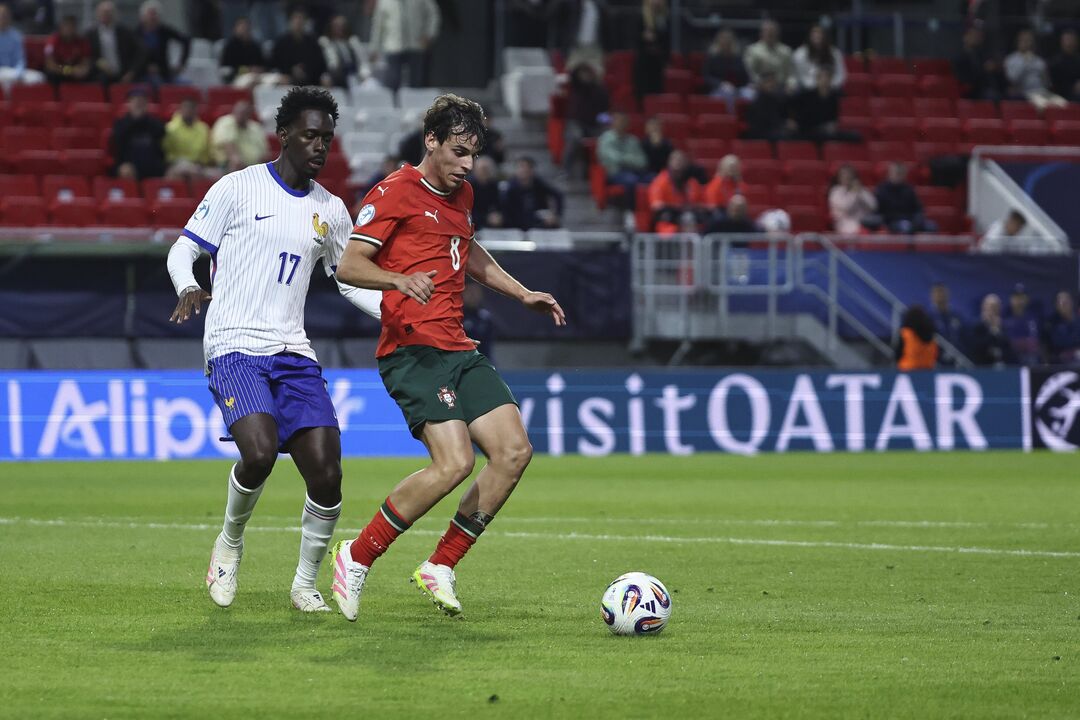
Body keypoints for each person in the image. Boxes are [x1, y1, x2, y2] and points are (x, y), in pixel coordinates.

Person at [331, 93, 565, 622]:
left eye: (474, 154)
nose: (468, 164)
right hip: (412, 349)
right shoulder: (393, 192)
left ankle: (440, 565)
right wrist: (396, 278)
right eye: (459, 152)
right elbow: (348, 263)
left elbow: (470, 251)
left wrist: (521, 292)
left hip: (457, 347)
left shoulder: (461, 195)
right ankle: (357, 555)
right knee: (455, 462)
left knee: (512, 452)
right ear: (431, 141)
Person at [166, 86, 383, 614]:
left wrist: (397, 309)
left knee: (328, 472)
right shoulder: (237, 188)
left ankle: (305, 582)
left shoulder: (330, 210)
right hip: (234, 344)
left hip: (293, 351)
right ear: (283, 134)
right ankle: (229, 544)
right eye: (310, 135)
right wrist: (187, 285)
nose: (319, 146)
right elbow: (184, 249)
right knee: (259, 453)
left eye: (327, 139)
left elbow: (349, 280)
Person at [369, 0, 441, 91]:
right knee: (392, 82)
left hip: (416, 45)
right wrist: (374, 48)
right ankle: (393, 104)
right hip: (393, 46)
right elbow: (378, 24)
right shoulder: (384, 1)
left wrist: (429, 34)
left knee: (416, 84)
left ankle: (415, 104)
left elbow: (433, 14)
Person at [561, 61, 609, 177]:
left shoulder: (600, 91)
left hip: (594, 124)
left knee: (607, 136)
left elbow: (605, 112)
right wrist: (583, 65)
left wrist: (606, 123)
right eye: (583, 73)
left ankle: (600, 170)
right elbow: (572, 74)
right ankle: (566, 170)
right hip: (576, 123)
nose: (585, 76)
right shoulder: (576, 87)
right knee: (575, 138)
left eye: (588, 73)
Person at [597, 111, 648, 216]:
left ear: (628, 124)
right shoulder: (605, 139)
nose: (621, 123)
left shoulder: (633, 140)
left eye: (624, 121)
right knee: (631, 180)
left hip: (635, 172)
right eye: (618, 121)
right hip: (615, 173)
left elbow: (642, 162)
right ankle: (630, 213)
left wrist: (625, 160)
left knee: (654, 178)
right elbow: (614, 159)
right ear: (613, 123)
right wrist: (631, 159)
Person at [1005, 28, 1066, 109]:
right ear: (1018, 42)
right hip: (1026, 93)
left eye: (1029, 40)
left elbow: (1047, 82)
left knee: (1063, 105)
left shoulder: (1039, 60)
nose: (1026, 43)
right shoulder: (1011, 59)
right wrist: (1025, 62)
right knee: (1044, 105)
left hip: (1042, 91)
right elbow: (1013, 79)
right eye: (1024, 40)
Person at [112, 87, 165, 180]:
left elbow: (161, 132)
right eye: (136, 101)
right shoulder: (121, 122)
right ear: (129, 103)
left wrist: (143, 119)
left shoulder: (153, 122)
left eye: (142, 101)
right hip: (130, 163)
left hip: (152, 163)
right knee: (126, 171)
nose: (139, 104)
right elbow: (118, 138)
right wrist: (135, 120)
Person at [131, 0, 189, 84]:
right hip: (142, 74)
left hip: (164, 72)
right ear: (143, 16)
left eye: (155, 15)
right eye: (150, 15)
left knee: (185, 84)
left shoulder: (164, 31)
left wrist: (182, 62)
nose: (152, 18)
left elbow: (186, 40)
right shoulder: (136, 33)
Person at [647, 149, 704, 233]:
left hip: (690, 219)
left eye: (681, 161)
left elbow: (701, 205)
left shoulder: (692, 183)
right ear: (669, 163)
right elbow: (657, 206)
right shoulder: (660, 182)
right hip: (668, 221)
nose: (678, 164)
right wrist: (678, 210)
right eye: (676, 160)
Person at [271, 7, 330, 87]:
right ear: (290, 21)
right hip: (287, 79)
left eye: (301, 19)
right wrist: (289, 71)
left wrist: (306, 70)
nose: (298, 22)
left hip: (311, 79)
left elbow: (321, 65)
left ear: (305, 22)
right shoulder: (281, 42)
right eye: (296, 18)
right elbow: (274, 64)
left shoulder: (313, 42)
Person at [164, 97, 220, 181]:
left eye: (191, 108)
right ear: (181, 109)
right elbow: (167, 153)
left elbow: (209, 152)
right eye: (186, 107)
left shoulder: (203, 128)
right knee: (185, 170)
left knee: (219, 175)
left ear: (196, 110)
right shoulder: (170, 128)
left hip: (200, 166)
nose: (188, 111)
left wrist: (205, 163)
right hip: (177, 164)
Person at [502, 156, 563, 230]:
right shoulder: (510, 187)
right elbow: (506, 209)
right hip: (515, 222)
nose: (524, 170)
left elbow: (558, 195)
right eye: (521, 167)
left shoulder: (539, 183)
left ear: (532, 170)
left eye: (527, 168)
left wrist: (555, 215)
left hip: (536, 221)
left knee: (553, 225)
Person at [86, 0, 139, 85]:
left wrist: (132, 71)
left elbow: (138, 52)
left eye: (109, 12)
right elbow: (87, 55)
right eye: (103, 12)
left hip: (124, 73)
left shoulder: (125, 32)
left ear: (115, 14)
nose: (106, 15)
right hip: (100, 75)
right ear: (97, 14)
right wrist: (98, 62)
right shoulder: (90, 34)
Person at [874, 162, 935, 234]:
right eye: (896, 173)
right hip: (891, 222)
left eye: (901, 173)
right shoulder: (882, 190)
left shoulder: (909, 189)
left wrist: (917, 220)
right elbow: (878, 211)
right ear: (889, 174)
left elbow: (918, 209)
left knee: (931, 226)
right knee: (906, 227)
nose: (898, 176)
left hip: (910, 220)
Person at [211, 99, 270, 171]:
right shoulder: (226, 122)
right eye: (239, 112)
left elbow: (265, 153)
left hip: (255, 167)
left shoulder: (255, 127)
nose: (241, 115)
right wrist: (240, 165)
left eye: (244, 113)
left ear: (249, 114)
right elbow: (230, 149)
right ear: (234, 112)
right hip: (228, 166)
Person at [0, 3, 46, 90]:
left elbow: (20, 60)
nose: (2, 18)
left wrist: (18, 74)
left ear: (9, 17)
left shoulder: (16, 36)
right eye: (1, 16)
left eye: (5, 16)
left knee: (39, 77)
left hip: (12, 72)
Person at [703, 28, 750, 112]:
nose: (726, 42)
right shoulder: (712, 58)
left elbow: (745, 76)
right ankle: (731, 119)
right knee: (728, 93)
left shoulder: (737, 58)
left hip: (737, 88)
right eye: (723, 40)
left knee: (751, 94)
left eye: (728, 40)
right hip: (718, 89)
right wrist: (721, 84)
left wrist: (748, 85)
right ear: (718, 42)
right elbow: (706, 77)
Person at [632, 0, 670, 100]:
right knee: (644, 92)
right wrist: (643, 37)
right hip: (644, 61)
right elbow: (634, 38)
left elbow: (667, 41)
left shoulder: (663, 18)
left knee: (657, 92)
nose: (656, 2)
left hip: (657, 62)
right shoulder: (640, 16)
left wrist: (666, 60)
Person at [743, 19, 794, 92]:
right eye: (767, 31)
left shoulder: (786, 51)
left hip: (782, 86)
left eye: (773, 31)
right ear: (761, 33)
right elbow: (750, 73)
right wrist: (762, 83)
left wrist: (791, 84)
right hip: (760, 87)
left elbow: (790, 73)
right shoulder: (752, 50)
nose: (770, 34)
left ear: (777, 33)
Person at [953, 25, 1002, 100]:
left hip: (987, 89)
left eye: (977, 36)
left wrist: (996, 68)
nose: (975, 38)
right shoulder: (959, 58)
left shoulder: (982, 55)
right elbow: (964, 79)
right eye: (972, 35)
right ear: (965, 37)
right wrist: (984, 69)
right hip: (970, 92)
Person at [792, 24, 845, 92]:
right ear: (809, 36)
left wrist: (829, 84)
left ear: (825, 36)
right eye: (814, 33)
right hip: (807, 89)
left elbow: (841, 75)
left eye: (820, 33)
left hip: (831, 89)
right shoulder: (799, 54)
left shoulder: (835, 53)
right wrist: (817, 85)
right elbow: (800, 77)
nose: (817, 36)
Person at [969, 293, 1016, 367]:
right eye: (991, 307)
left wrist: (998, 331)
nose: (993, 310)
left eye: (996, 307)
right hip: (983, 367)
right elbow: (975, 348)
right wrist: (992, 332)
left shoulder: (1003, 327)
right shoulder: (977, 326)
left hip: (1003, 367)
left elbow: (1009, 347)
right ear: (984, 308)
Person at [743, 72, 793, 141]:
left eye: (773, 82)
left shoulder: (776, 100)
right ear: (761, 84)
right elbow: (760, 126)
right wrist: (783, 125)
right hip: (762, 135)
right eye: (768, 82)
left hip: (775, 132)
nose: (772, 85)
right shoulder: (757, 104)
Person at [44, 14, 92, 85]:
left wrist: (82, 70)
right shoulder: (52, 41)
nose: (69, 29)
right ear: (61, 27)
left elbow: (86, 62)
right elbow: (50, 65)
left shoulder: (82, 42)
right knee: (51, 75)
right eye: (66, 26)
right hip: (59, 71)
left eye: (71, 26)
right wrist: (69, 71)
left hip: (76, 72)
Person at [219, 16, 267, 87]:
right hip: (238, 77)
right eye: (241, 26)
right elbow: (227, 68)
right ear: (235, 29)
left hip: (257, 76)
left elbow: (263, 64)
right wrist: (247, 70)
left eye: (246, 27)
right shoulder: (230, 46)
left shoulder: (255, 46)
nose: (244, 29)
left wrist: (260, 69)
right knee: (251, 82)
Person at [828, 164, 875, 235]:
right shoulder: (835, 192)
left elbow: (873, 206)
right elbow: (846, 207)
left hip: (865, 221)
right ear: (839, 177)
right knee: (862, 232)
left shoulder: (861, 190)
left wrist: (861, 193)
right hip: (845, 224)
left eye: (849, 175)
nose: (847, 177)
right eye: (844, 175)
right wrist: (854, 193)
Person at [320, 13, 363, 88]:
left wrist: (363, 74)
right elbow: (328, 63)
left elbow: (362, 60)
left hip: (353, 75)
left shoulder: (353, 41)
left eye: (342, 26)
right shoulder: (325, 41)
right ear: (331, 26)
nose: (340, 28)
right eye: (336, 26)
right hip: (334, 75)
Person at [1004, 284, 1041, 365]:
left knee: (1032, 358)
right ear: (1011, 299)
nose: (1019, 301)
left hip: (1028, 357)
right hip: (1010, 357)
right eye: (1016, 297)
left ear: (1027, 299)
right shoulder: (1005, 318)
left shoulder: (1033, 318)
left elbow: (1034, 342)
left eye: (1022, 297)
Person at [928, 282, 966, 360]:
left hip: (957, 359)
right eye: (937, 292)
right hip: (936, 360)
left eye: (942, 292)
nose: (940, 295)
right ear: (932, 296)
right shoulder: (928, 317)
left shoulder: (956, 316)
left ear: (948, 294)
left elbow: (963, 336)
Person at [895, 305, 939, 371]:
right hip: (928, 371)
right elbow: (936, 354)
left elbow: (897, 354)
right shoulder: (931, 334)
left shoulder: (906, 333)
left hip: (908, 371)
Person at [468, 155, 504, 230]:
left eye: (487, 169)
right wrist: (486, 218)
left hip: (489, 225)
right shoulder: (468, 185)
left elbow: (497, 205)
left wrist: (497, 215)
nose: (485, 172)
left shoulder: (493, 185)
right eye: (483, 169)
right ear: (475, 170)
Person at [1044, 290, 1080, 364]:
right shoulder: (1051, 323)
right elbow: (1054, 344)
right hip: (1059, 361)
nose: (1064, 304)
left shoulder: (1078, 321)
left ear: (1072, 302)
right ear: (1056, 305)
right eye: (1061, 302)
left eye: (1066, 301)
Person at [1049, 29, 1080, 102]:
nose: (1069, 43)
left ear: (1076, 42)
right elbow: (1053, 85)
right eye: (1066, 40)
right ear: (1061, 42)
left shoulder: (1078, 60)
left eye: (1072, 40)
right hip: (1060, 97)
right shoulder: (1055, 62)